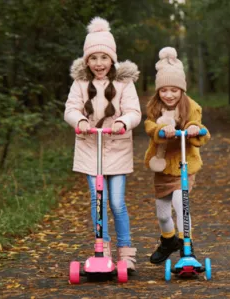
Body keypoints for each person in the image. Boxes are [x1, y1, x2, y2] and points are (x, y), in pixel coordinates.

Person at [64, 17, 141, 271]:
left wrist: (122, 122)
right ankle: (102, 251)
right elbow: (70, 109)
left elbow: (134, 111)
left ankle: (126, 253)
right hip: (90, 148)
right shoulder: (80, 83)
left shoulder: (123, 82)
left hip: (116, 147)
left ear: (112, 59)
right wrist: (80, 121)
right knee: (98, 201)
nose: (99, 64)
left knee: (117, 202)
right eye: (93, 58)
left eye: (104, 58)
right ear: (87, 61)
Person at [144, 47, 211, 264]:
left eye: (174, 90)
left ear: (182, 90)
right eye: (164, 90)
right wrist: (160, 131)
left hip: (183, 165)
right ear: (158, 91)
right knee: (163, 214)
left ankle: (186, 247)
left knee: (179, 203)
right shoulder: (154, 107)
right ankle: (169, 240)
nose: (169, 95)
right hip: (162, 167)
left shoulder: (191, 106)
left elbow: (199, 126)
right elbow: (149, 126)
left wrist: (192, 128)